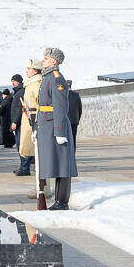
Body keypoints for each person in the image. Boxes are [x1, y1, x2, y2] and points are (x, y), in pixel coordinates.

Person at [36, 47, 78, 210]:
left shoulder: (56, 78)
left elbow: (60, 107)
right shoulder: (48, 78)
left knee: (62, 165)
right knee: (55, 164)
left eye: (46, 58)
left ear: (54, 61)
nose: (43, 61)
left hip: (55, 126)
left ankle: (62, 202)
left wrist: (60, 131)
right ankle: (59, 200)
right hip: (47, 125)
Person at [14, 61, 42, 177]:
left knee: (35, 148)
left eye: (29, 69)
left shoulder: (37, 83)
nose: (26, 71)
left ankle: (41, 183)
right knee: (26, 146)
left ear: (35, 71)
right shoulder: (30, 83)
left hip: (34, 118)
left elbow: (39, 102)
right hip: (28, 117)